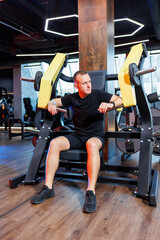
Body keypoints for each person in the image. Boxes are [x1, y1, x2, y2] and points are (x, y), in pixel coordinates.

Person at [31, 70, 123, 213]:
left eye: (89, 82)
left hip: (95, 136)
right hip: (78, 135)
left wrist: (110, 105)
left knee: (91, 144)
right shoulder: (72, 98)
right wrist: (51, 103)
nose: (88, 85)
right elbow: (56, 100)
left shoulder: (98, 95)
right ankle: (48, 188)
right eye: (84, 83)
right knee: (54, 143)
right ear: (76, 86)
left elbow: (120, 99)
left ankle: (90, 192)